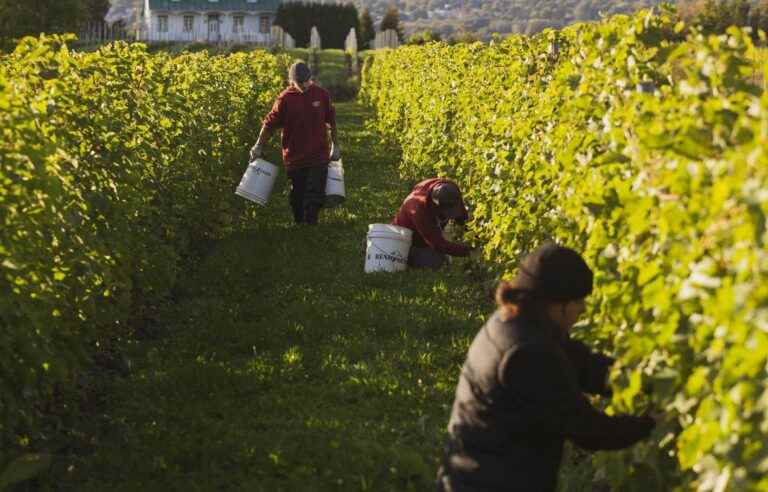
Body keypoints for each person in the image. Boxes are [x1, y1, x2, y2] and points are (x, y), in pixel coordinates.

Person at [437, 243, 656, 492]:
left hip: (477, 476)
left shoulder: (515, 321)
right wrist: (651, 423)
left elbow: (585, 365)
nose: (583, 309)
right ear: (557, 303)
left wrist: (647, 382)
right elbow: (587, 428)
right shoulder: (526, 352)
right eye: (578, 301)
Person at [250, 61, 339, 225]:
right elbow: (269, 124)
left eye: (307, 81)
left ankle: (311, 226)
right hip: (295, 156)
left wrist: (335, 145)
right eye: (300, 82)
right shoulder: (284, 99)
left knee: (315, 193)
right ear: (291, 81)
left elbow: (331, 120)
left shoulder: (321, 94)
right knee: (297, 195)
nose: (304, 85)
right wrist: (258, 145)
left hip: (318, 154)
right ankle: (299, 224)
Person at [392, 178, 472, 269]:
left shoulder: (451, 188)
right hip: (404, 242)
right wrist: (467, 251)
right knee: (435, 261)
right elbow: (438, 244)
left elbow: (462, 215)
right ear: (435, 205)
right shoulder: (418, 209)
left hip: (427, 230)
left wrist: (472, 233)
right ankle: (408, 262)